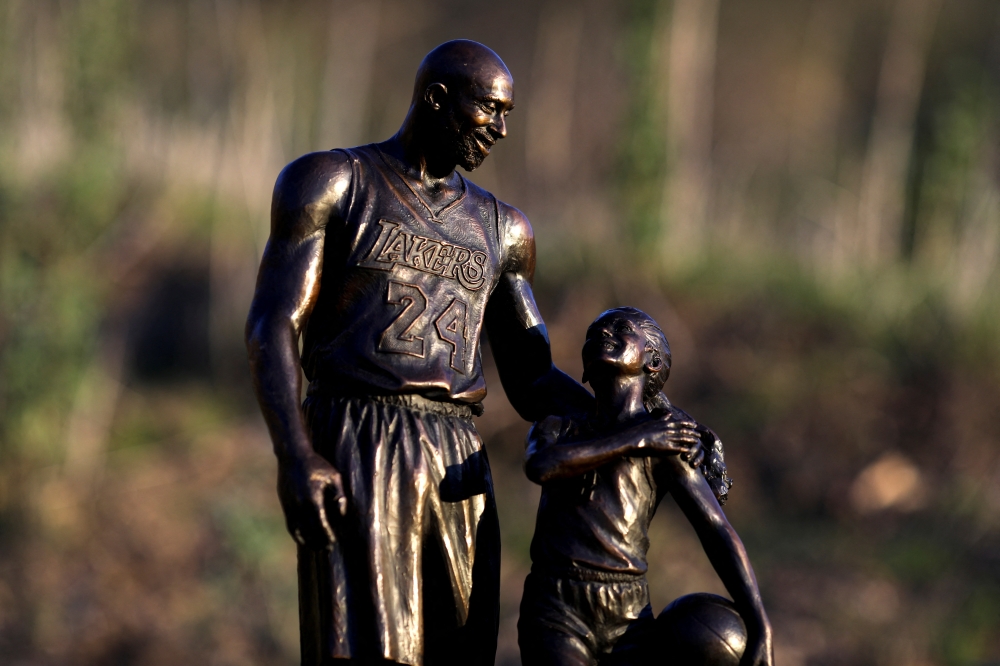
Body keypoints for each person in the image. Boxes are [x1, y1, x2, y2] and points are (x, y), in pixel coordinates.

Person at [245, 40, 593, 666]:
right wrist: (294, 454)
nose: (503, 130)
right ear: (437, 99)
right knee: (370, 649)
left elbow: (533, 376)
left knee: (463, 649)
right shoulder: (333, 182)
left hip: (458, 458)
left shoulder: (503, 229)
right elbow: (273, 324)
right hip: (358, 435)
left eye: (508, 113)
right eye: (490, 110)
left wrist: (645, 424)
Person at [518, 307, 774, 666]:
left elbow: (716, 530)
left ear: (651, 360)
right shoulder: (558, 426)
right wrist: (638, 437)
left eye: (620, 328)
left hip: (628, 613)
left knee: (719, 634)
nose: (602, 334)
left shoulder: (667, 443)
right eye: (593, 333)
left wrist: (760, 624)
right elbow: (541, 465)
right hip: (557, 603)